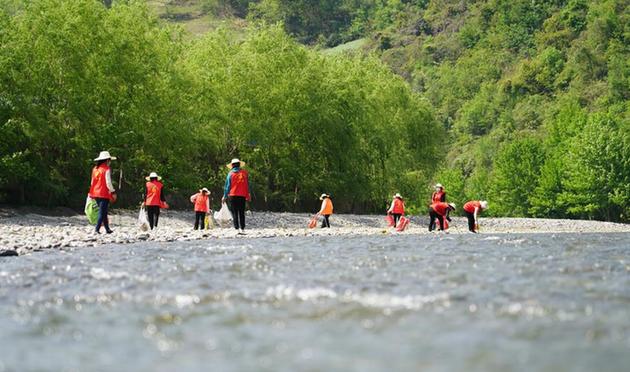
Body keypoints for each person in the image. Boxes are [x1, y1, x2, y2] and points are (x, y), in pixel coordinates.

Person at [88, 151, 116, 234]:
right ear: (107, 160)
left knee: (104, 211)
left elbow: (92, 182)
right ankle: (97, 229)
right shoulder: (106, 169)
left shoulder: (95, 169)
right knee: (102, 211)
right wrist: (113, 191)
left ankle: (107, 229)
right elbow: (108, 183)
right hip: (103, 193)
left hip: (95, 193)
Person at [222, 158, 250, 234]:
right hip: (242, 195)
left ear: (232, 165)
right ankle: (243, 228)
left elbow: (227, 186)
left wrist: (224, 196)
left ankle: (237, 229)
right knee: (241, 212)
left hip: (233, 195)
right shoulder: (244, 173)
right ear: (239, 164)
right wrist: (248, 195)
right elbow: (247, 185)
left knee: (235, 212)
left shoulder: (230, 174)